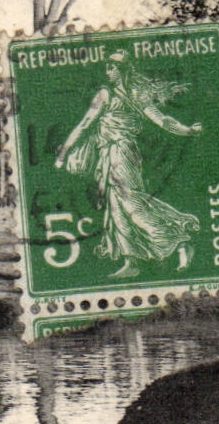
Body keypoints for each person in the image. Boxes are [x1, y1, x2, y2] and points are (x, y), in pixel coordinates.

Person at [55, 52, 202, 278]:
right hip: (107, 154)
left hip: (123, 152)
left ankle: (179, 241)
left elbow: (161, 120)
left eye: (112, 67)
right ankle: (131, 261)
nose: (108, 71)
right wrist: (64, 151)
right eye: (107, 67)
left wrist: (187, 130)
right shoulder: (105, 94)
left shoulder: (136, 94)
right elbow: (84, 124)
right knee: (116, 208)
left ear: (123, 68)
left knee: (131, 204)